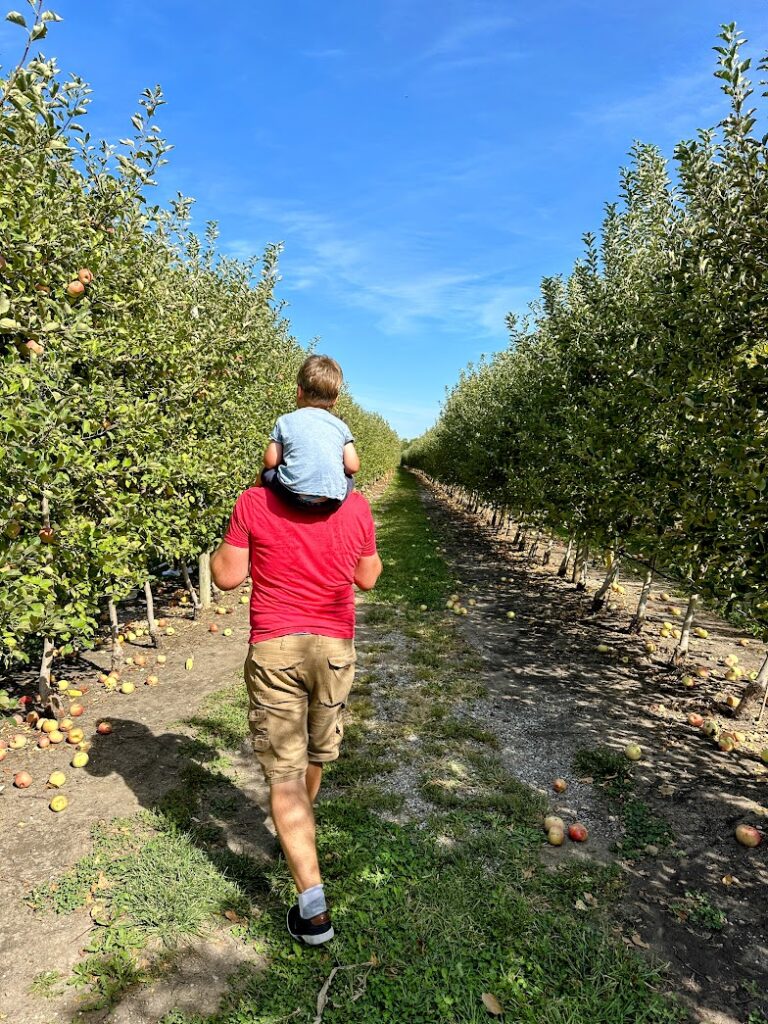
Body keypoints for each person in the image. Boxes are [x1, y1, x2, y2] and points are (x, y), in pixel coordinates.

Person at [210, 444, 382, 946]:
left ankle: (313, 912)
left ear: (280, 453)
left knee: (283, 776)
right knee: (313, 755)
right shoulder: (357, 504)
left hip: (276, 648)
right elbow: (368, 578)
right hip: (332, 650)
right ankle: (293, 836)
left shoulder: (254, 501)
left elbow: (225, 577)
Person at [259, 354, 360, 509]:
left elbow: (270, 461)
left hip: (292, 496)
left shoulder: (285, 421)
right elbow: (352, 466)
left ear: (299, 391)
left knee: (266, 472)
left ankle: (252, 496)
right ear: (335, 400)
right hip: (331, 502)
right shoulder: (341, 426)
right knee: (349, 478)